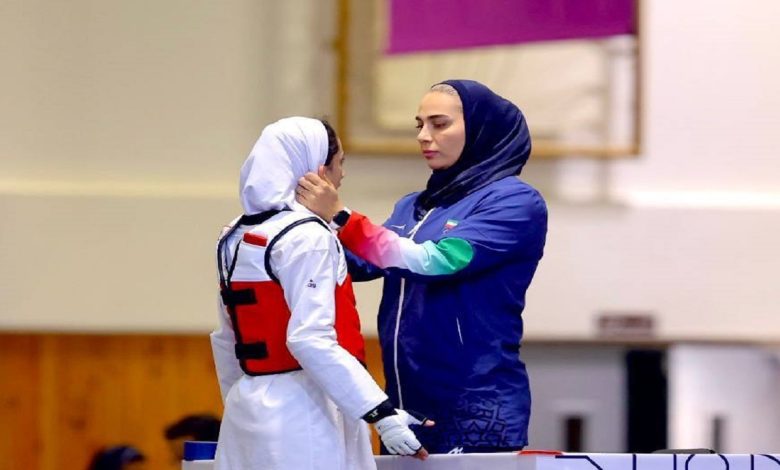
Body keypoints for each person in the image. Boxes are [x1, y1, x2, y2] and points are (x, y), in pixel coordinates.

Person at [296, 80, 548, 454]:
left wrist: (342, 217)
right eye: (420, 125)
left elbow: (439, 261)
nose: (423, 136)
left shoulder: (515, 201)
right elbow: (362, 263)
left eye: (439, 124)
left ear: (480, 129)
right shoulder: (413, 205)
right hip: (405, 402)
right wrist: (298, 228)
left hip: (477, 405)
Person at [210, 117, 430, 470]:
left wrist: (241, 402)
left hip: (246, 407)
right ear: (317, 170)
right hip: (306, 412)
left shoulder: (232, 235)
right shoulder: (307, 236)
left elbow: (226, 340)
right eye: (340, 162)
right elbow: (310, 338)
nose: (343, 174)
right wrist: (380, 413)